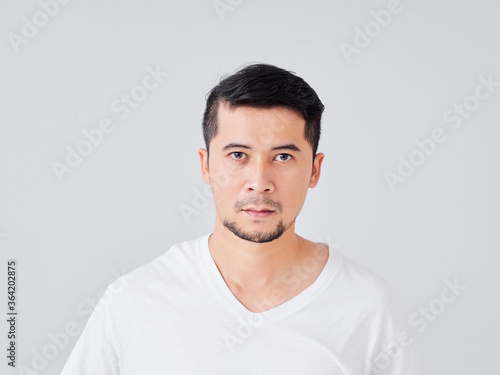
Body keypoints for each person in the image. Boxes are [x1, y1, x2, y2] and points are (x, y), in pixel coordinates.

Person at [61, 63, 417, 374]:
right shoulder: (134, 301)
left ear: (314, 169)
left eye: (282, 157)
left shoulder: (367, 306)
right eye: (238, 155)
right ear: (206, 165)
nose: (259, 183)